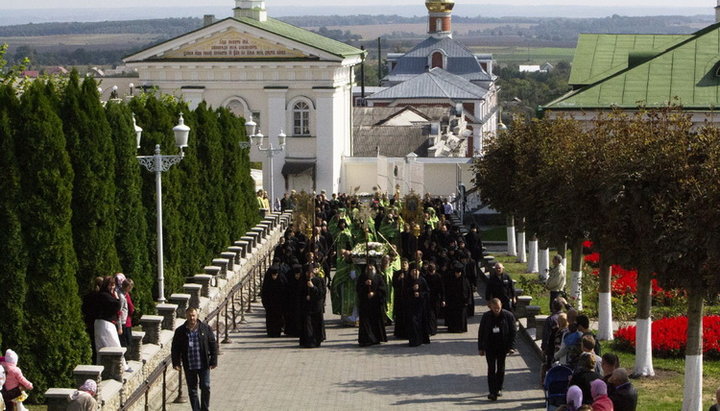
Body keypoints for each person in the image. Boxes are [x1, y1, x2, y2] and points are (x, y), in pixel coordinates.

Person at [171, 307, 218, 411]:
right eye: (189, 315)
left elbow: (213, 344)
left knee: (205, 386)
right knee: (192, 390)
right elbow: (175, 348)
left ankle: (205, 408)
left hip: (204, 363)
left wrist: (214, 360)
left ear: (197, 316)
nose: (192, 318)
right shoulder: (180, 331)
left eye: (193, 315)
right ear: (186, 316)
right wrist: (176, 363)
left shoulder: (205, 328)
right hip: (190, 365)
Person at [477, 298, 517, 401]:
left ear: (501, 306)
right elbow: (481, 332)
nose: (497, 310)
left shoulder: (508, 316)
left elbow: (513, 332)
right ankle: (492, 391)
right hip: (490, 346)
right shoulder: (486, 316)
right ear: (491, 307)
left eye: (498, 308)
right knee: (491, 368)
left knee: (500, 368)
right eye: (495, 308)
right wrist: (481, 347)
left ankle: (498, 388)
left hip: (502, 347)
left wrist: (511, 347)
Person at [94, 276, 131, 372]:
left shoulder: (101, 295)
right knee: (114, 344)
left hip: (102, 323)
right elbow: (117, 306)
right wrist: (117, 297)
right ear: (106, 285)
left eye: (113, 285)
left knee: (103, 346)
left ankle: (105, 367)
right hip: (105, 324)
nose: (112, 287)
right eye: (110, 285)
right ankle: (122, 366)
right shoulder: (104, 295)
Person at [356, 264, 388, 346]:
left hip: (375, 304)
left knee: (376, 322)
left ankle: (376, 338)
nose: (370, 269)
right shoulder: (362, 277)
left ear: (375, 268)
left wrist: (374, 293)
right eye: (368, 267)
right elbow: (358, 289)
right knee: (365, 323)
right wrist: (364, 284)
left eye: (372, 267)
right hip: (365, 304)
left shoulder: (379, 277)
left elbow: (383, 290)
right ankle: (366, 340)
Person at [297, 264, 326, 348]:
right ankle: (308, 341)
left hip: (316, 307)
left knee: (316, 324)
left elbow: (321, 293)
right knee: (307, 324)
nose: (309, 274)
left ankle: (316, 341)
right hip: (306, 307)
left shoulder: (318, 280)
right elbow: (299, 294)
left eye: (310, 273)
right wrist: (305, 297)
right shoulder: (302, 281)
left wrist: (313, 287)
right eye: (307, 273)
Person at [405, 265, 431, 347]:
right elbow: (403, 292)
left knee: (421, 322)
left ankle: (421, 339)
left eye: (416, 271)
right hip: (410, 305)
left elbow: (427, 292)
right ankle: (414, 341)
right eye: (412, 271)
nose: (414, 272)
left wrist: (420, 294)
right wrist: (412, 289)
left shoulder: (422, 280)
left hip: (420, 306)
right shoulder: (407, 280)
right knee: (413, 322)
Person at [444, 262, 470, 333]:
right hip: (452, 301)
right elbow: (447, 290)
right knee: (453, 315)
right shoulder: (450, 280)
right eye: (456, 273)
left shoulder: (465, 280)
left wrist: (467, 301)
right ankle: (453, 328)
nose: (457, 274)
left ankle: (461, 328)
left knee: (461, 316)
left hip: (462, 301)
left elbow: (468, 291)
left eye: (459, 273)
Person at [261, 265, 287, 337]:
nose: (274, 277)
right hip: (270, 303)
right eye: (273, 275)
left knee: (278, 318)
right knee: (270, 318)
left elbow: (285, 291)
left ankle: (277, 331)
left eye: (275, 275)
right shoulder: (268, 280)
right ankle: (270, 332)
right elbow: (264, 292)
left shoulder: (281, 279)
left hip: (279, 303)